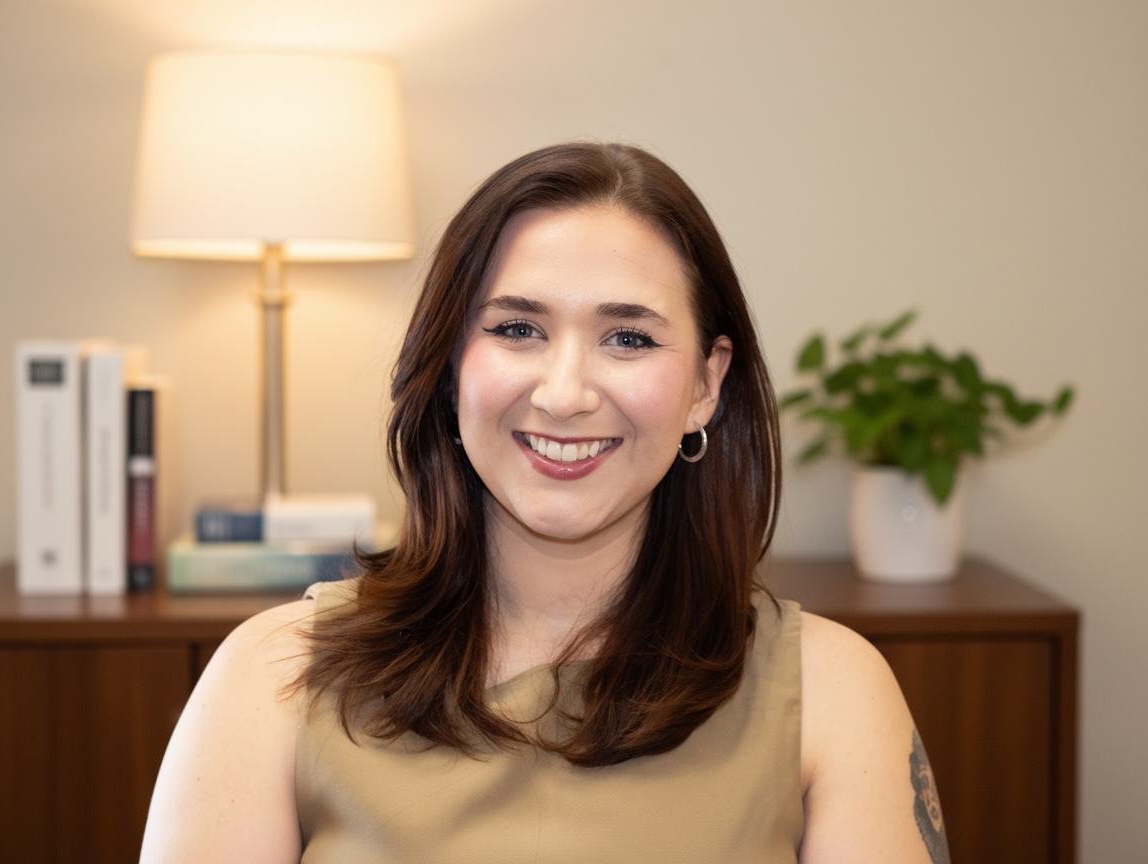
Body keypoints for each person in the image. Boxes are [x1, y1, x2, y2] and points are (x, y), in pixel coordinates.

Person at [140, 142, 951, 864]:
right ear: (451, 362)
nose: (564, 395)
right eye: (518, 329)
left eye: (627, 337)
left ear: (706, 384)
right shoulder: (272, 677)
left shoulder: (833, 693)